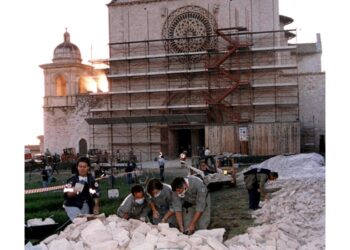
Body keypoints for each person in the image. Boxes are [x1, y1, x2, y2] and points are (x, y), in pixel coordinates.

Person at [63, 157, 101, 221]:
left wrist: (96, 207)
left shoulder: (92, 181)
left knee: (87, 225)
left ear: (88, 167)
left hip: (86, 205)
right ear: (77, 167)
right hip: (72, 205)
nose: (82, 169)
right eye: (80, 166)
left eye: (84, 167)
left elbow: (96, 195)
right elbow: (68, 194)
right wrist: (78, 186)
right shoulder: (71, 180)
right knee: (80, 222)